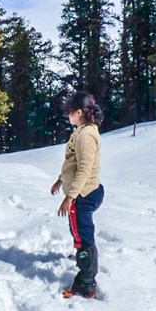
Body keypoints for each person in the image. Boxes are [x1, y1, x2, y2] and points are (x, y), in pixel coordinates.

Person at [51, 91, 105, 299]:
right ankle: (84, 258)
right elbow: (72, 164)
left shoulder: (86, 136)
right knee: (78, 231)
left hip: (84, 194)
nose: (67, 117)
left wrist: (69, 197)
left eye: (69, 113)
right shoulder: (82, 131)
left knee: (83, 238)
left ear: (79, 112)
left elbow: (84, 169)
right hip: (82, 191)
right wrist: (60, 180)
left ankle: (86, 285)